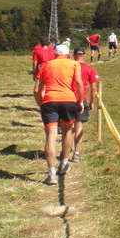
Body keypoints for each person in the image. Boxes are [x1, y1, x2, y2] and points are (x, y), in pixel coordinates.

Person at [34, 44, 84, 185]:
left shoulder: (46, 65)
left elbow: (37, 89)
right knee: (67, 132)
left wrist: (41, 104)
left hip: (49, 101)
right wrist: (80, 100)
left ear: (54, 55)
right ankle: (63, 164)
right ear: (68, 55)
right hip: (68, 100)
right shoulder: (74, 64)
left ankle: (51, 174)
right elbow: (79, 82)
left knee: (51, 136)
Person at [70, 47, 99, 163]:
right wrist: (92, 102)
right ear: (85, 56)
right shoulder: (90, 69)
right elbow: (93, 88)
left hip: (67, 99)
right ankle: (76, 153)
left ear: (74, 56)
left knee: (67, 127)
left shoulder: (69, 67)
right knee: (79, 126)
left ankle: (65, 151)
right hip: (82, 100)